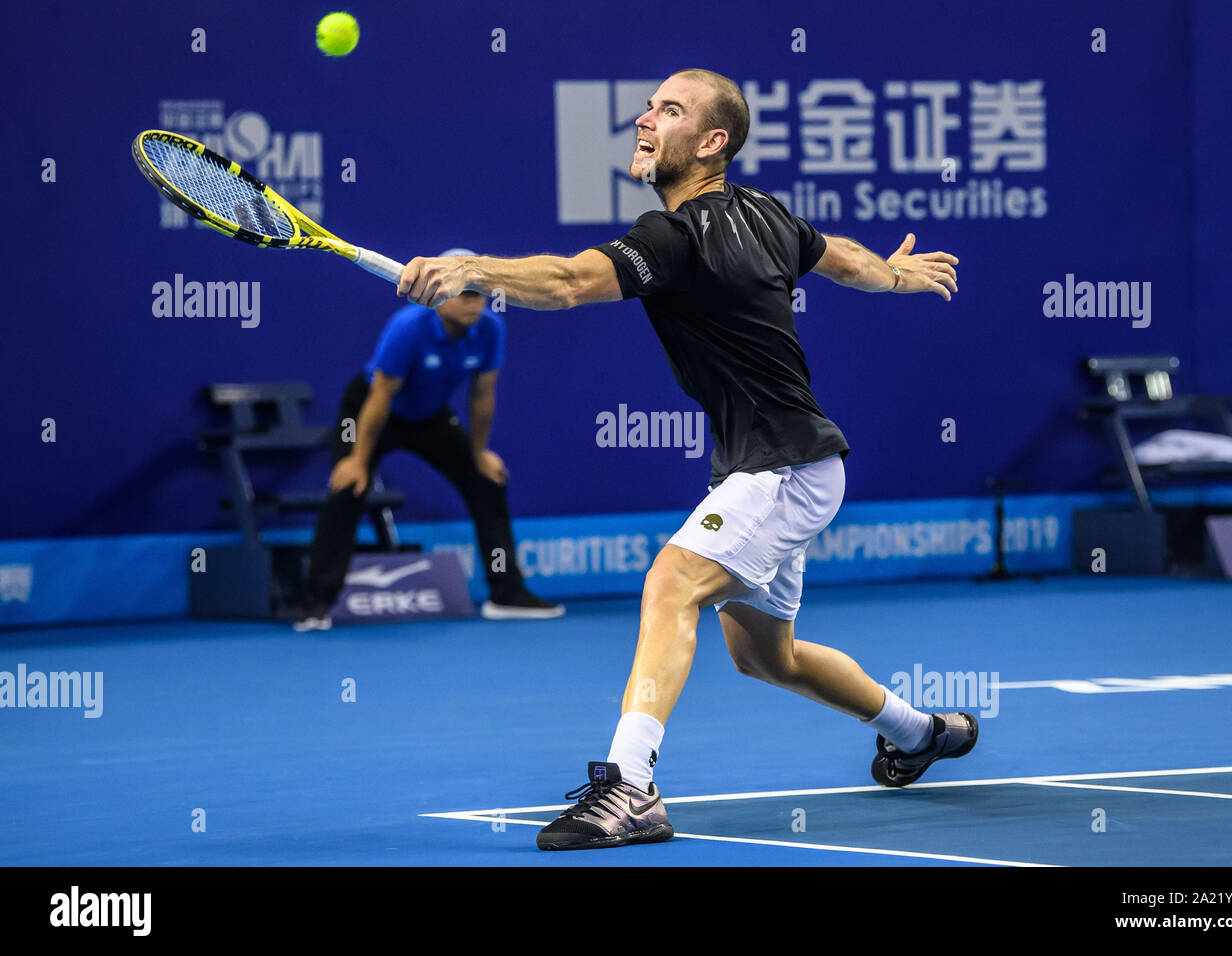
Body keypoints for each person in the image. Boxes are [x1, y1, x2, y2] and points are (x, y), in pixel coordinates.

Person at [397, 71, 969, 851]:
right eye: (649, 105)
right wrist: (896, 276)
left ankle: (630, 788)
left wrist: (475, 271)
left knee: (671, 581)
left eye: (669, 110)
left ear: (712, 143)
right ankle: (923, 731)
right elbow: (842, 257)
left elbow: (567, 284)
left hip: (784, 465)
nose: (644, 118)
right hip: (781, 464)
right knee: (770, 659)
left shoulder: (675, 236)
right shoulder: (765, 214)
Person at [295, 249, 563, 630]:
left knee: (486, 482)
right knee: (348, 488)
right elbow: (380, 396)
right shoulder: (409, 327)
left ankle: (507, 593)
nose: (474, 303)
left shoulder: (490, 330)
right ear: (442, 295)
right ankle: (315, 604)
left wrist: (479, 452)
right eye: (465, 293)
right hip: (372, 409)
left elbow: (482, 396)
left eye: (479, 293)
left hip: (429, 413)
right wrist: (357, 460)